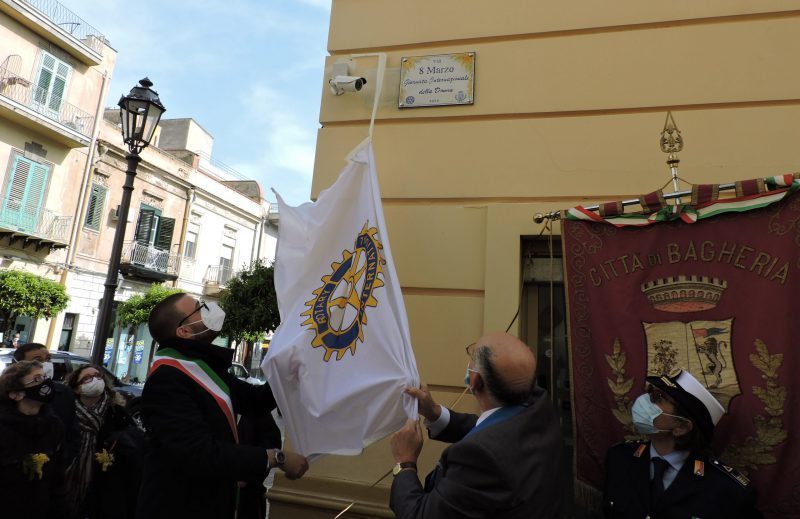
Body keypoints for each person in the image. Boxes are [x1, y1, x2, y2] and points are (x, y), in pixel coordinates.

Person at [135, 293, 309, 519]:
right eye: (200, 308)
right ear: (184, 331)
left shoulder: (203, 368)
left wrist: (291, 365)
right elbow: (200, 452)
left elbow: (255, 401)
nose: (209, 310)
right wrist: (277, 457)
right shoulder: (167, 378)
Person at [390, 331, 564, 518]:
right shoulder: (538, 403)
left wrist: (405, 462)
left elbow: (418, 515)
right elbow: (495, 429)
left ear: (475, 380)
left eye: (472, 355)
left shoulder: (480, 458)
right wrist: (434, 413)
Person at [603, 370, 762, 518]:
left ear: (681, 427)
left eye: (658, 397)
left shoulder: (726, 489)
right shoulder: (619, 458)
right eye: (649, 392)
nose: (644, 400)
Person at [65, 364, 143, 519]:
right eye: (87, 378)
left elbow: (135, 443)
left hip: (107, 483)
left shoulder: (116, 412)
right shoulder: (66, 412)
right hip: (69, 478)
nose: (95, 380)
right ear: (76, 388)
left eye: (98, 376)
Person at [0, 360, 68, 518]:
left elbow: (57, 478)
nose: (45, 383)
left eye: (44, 377)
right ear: (16, 394)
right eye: (37, 379)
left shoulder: (53, 425)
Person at [13, 343, 80, 466]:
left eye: (48, 359)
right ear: (19, 365)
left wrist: (61, 463)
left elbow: (72, 434)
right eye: (37, 360)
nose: (45, 364)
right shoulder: (7, 393)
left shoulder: (64, 393)